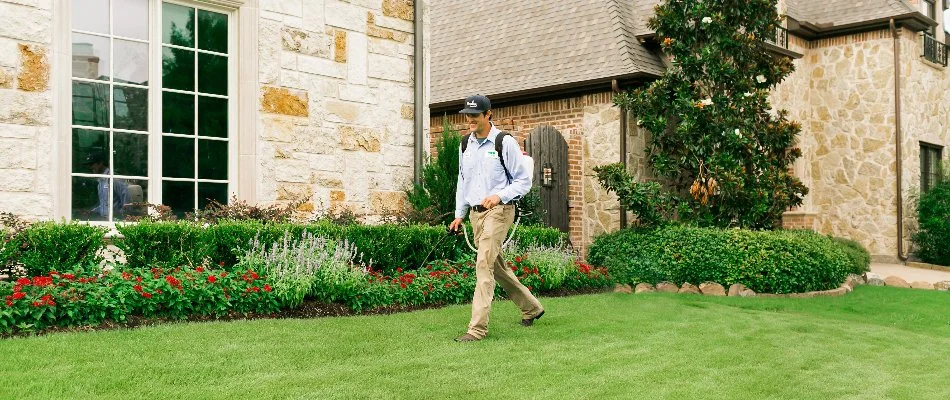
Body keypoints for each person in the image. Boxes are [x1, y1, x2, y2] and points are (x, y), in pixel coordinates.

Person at [449, 94, 544, 342]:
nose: (469, 119)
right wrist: (459, 214)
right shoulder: (464, 145)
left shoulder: (504, 142)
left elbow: (524, 181)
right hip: (475, 215)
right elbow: (462, 181)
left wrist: (499, 196)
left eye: (474, 115)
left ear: (488, 114)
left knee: (483, 264)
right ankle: (532, 308)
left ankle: (476, 329)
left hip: (499, 213)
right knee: (496, 267)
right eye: (467, 115)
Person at [84, 151, 130, 220]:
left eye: (92, 164)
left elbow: (127, 198)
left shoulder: (113, 179)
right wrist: (91, 211)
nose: (89, 167)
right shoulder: (101, 181)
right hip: (105, 220)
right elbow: (104, 205)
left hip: (115, 221)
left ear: (100, 163)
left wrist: (121, 216)